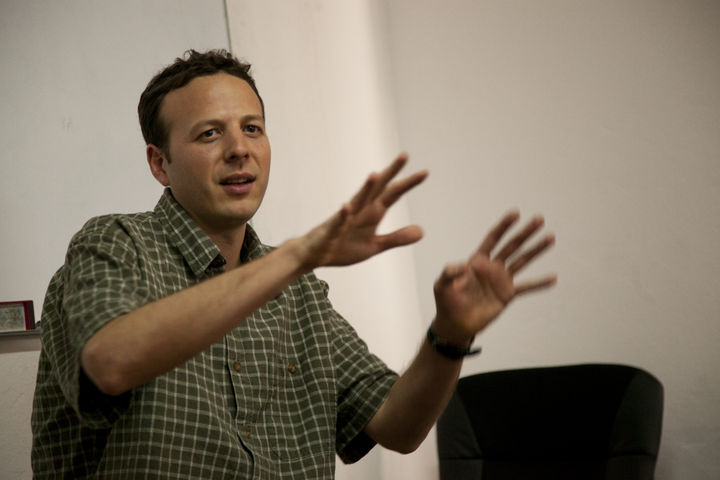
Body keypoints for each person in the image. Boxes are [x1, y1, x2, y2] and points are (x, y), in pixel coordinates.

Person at [31, 49, 556, 479]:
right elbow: (110, 363)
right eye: (209, 134)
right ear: (159, 163)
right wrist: (299, 254)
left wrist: (450, 335)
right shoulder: (115, 242)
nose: (239, 149)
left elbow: (398, 426)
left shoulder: (297, 290)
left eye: (252, 128)